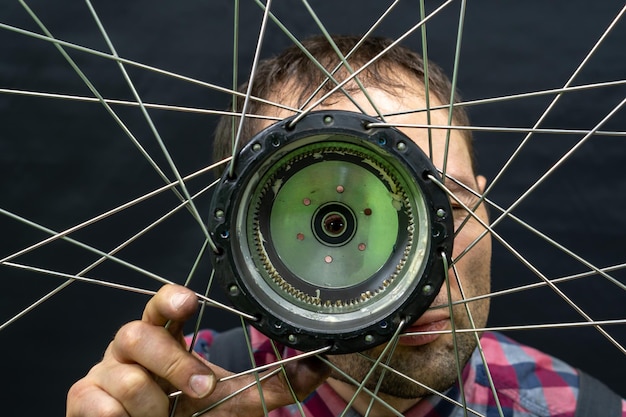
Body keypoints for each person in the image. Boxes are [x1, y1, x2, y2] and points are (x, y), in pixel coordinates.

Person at [66, 36, 625, 417]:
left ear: (484, 203)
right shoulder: (176, 398)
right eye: (328, 222)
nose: (413, 270)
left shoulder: (581, 409)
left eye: (446, 208)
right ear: (241, 245)